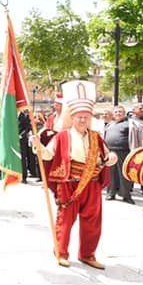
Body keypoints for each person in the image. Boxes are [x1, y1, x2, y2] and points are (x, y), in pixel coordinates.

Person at [36, 80, 115, 269]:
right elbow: (48, 154)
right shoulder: (62, 136)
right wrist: (37, 146)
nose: (82, 120)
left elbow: (107, 155)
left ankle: (88, 254)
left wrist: (112, 157)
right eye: (79, 117)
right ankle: (61, 252)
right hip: (69, 183)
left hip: (92, 184)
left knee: (92, 222)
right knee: (65, 220)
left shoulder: (97, 137)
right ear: (72, 117)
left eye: (86, 117)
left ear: (90, 119)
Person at [103, 105, 135, 204]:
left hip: (124, 152)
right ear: (113, 114)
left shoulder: (130, 124)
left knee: (124, 174)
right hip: (110, 152)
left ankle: (125, 195)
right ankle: (110, 193)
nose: (118, 113)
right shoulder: (109, 125)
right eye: (116, 112)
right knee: (110, 174)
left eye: (120, 112)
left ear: (124, 113)